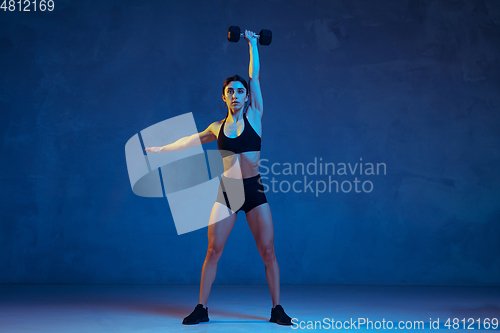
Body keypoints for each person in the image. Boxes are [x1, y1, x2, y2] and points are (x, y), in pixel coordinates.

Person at [145, 30, 292, 326]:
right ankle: (202, 308)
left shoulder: (255, 117)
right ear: (223, 96)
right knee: (213, 250)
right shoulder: (217, 127)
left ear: (247, 96)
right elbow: (190, 140)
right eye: (230, 91)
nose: (235, 95)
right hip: (228, 192)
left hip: (253, 191)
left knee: (268, 251)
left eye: (240, 91)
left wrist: (252, 44)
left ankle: (277, 309)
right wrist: (161, 149)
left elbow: (256, 76)